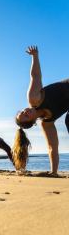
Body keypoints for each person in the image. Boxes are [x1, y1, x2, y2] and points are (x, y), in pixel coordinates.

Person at [15, 46, 69, 176]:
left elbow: (36, 76)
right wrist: (54, 172)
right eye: (25, 116)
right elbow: (52, 147)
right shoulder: (47, 124)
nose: (25, 111)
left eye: (22, 111)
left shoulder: (34, 98)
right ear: (32, 122)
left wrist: (35, 56)